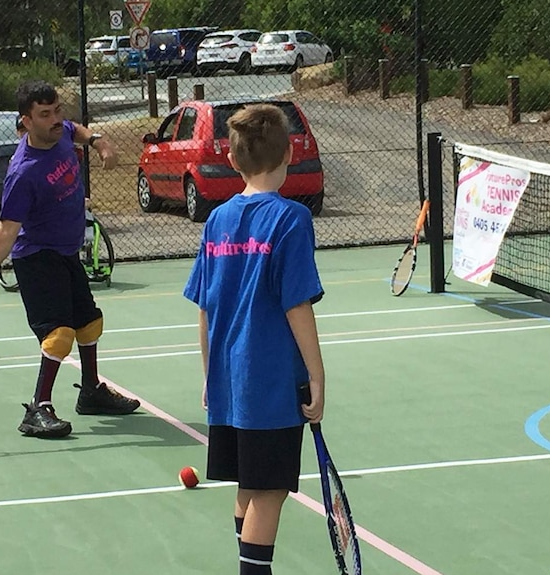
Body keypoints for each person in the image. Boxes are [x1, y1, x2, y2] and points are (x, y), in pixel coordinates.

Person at [183, 104, 326, 575]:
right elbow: (296, 305)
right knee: (270, 491)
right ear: (288, 154)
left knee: (249, 484)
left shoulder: (216, 221)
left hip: (229, 381)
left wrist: (210, 377)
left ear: (232, 159)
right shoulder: (291, 219)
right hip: (270, 385)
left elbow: (205, 308)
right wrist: (318, 377)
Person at [0, 80, 140, 438]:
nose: (55, 120)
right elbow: (6, 228)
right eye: (44, 115)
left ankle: (91, 391)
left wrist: (99, 142)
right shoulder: (23, 172)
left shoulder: (60, 133)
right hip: (37, 257)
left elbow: (76, 130)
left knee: (89, 323)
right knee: (59, 335)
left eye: (57, 110)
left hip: (65, 251)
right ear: (26, 121)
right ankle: (38, 409)